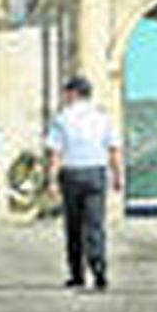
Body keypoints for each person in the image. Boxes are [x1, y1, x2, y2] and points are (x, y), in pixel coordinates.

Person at [43, 75, 123, 291]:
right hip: (96, 173)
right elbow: (113, 149)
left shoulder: (62, 118)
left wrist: (51, 180)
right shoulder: (102, 118)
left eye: (66, 93)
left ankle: (77, 274)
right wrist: (117, 176)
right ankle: (99, 272)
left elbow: (55, 153)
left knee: (74, 227)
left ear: (73, 93)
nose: (64, 97)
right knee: (95, 225)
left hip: (71, 174)